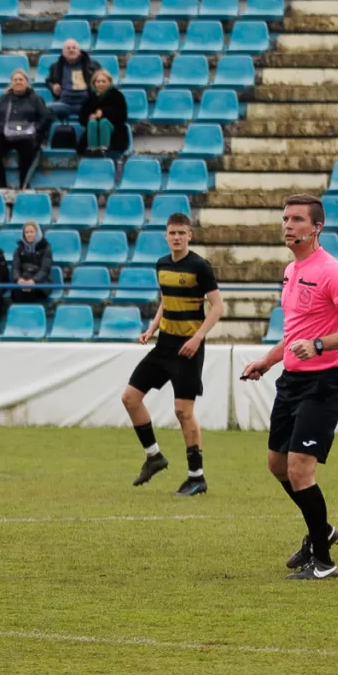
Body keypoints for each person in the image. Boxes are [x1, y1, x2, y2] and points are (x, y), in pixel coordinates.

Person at [240, 194, 338, 581]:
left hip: (324, 382)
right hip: (291, 381)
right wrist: (267, 361)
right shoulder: (291, 270)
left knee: (299, 469)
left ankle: (324, 563)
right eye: (285, 218)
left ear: (316, 228)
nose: (288, 225)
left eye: (297, 219)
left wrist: (318, 345)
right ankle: (322, 530)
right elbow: (295, 331)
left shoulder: (331, 271)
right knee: (277, 465)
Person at [124, 211, 223, 498]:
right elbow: (166, 302)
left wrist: (197, 337)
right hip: (164, 345)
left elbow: (217, 306)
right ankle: (154, 456)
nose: (177, 237)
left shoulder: (200, 266)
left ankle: (196, 477)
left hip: (188, 348)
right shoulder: (162, 264)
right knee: (130, 398)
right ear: (166, 236)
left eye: (182, 233)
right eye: (172, 233)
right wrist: (151, 328)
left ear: (189, 236)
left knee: (182, 411)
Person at [0, 69, 47, 191]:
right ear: (11, 83)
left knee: (28, 147)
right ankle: (1, 181)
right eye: (15, 80)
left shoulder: (36, 99)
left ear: (27, 82)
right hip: (6, 134)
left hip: (26, 135)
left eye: (21, 79)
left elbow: (44, 118)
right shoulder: (3, 99)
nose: (18, 82)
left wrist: (34, 129)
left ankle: (23, 182)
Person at [80, 68, 130, 159]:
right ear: (94, 83)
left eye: (103, 81)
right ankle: (92, 149)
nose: (100, 84)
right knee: (92, 123)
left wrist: (104, 112)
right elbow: (82, 118)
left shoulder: (117, 96)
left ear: (109, 82)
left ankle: (103, 149)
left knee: (104, 122)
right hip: (93, 128)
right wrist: (89, 116)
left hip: (114, 131)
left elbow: (122, 116)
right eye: (98, 81)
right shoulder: (90, 98)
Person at [8, 220, 55, 315]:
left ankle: (31, 317)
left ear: (37, 233)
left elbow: (45, 269)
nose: (29, 235)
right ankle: (20, 316)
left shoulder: (46, 248)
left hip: (40, 282)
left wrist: (33, 281)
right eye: (27, 232)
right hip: (23, 280)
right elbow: (15, 267)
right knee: (18, 291)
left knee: (29, 290)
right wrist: (18, 279)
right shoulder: (18, 249)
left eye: (32, 232)